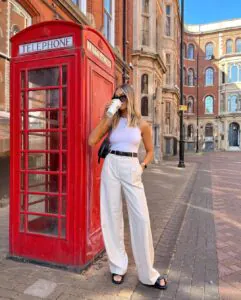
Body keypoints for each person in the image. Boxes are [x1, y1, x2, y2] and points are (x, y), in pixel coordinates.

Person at [88, 84, 167, 289]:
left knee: (141, 218)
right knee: (112, 216)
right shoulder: (112, 121)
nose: (119, 99)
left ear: (130, 98)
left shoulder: (142, 124)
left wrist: (142, 166)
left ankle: (148, 273)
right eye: (116, 96)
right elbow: (91, 140)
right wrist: (108, 114)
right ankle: (117, 266)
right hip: (111, 164)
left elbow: (149, 150)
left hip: (132, 165)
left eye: (122, 97)